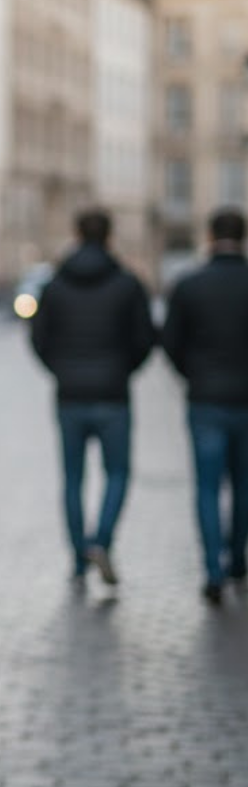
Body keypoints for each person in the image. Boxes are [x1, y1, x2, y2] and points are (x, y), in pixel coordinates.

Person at [30, 208, 155, 587]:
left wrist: (61, 370)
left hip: (70, 396)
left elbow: (39, 338)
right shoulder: (128, 283)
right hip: (114, 395)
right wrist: (123, 369)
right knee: (117, 472)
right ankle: (101, 540)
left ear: (77, 234)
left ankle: (79, 558)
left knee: (72, 478)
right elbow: (146, 338)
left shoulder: (54, 283)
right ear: (109, 236)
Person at [162, 206, 248, 605]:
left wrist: (193, 375)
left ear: (211, 237)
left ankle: (212, 570)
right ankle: (238, 561)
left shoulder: (189, 284)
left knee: (208, 487)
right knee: (244, 485)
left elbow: (172, 343)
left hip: (206, 400)